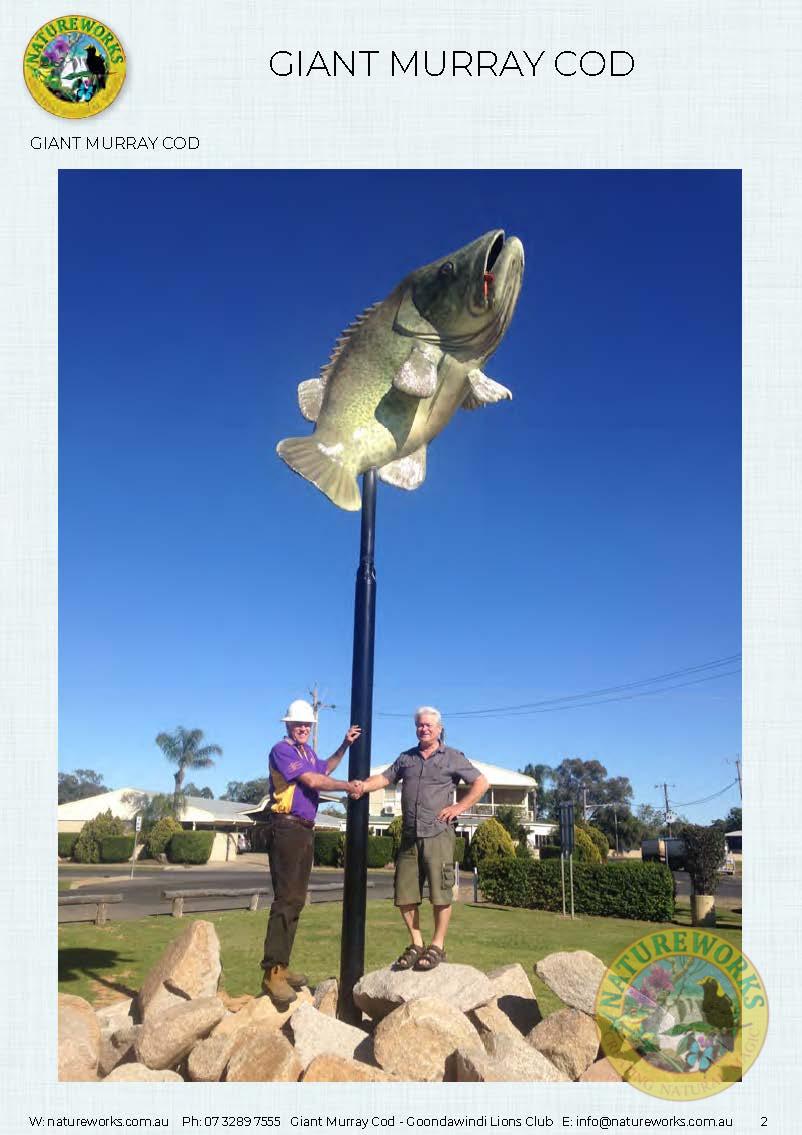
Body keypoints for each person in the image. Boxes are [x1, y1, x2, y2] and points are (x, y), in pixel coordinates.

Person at [351, 706, 488, 972]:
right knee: (405, 894)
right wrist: (362, 786)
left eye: (428, 725)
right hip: (410, 835)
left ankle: (437, 945)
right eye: (420, 725)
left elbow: (481, 783)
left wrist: (458, 808)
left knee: (440, 893)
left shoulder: (452, 757)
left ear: (439, 729)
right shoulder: (407, 758)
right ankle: (416, 943)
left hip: (438, 833)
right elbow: (385, 777)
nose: (423, 729)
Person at [261, 698, 361, 1006]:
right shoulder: (283, 750)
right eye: (299, 724)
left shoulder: (306, 752)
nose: (304, 728)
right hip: (286, 826)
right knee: (286, 898)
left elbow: (323, 767)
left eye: (308, 725)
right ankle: (272, 971)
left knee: (297, 899)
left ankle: (283, 965)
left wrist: (344, 746)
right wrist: (348, 786)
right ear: (288, 725)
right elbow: (313, 780)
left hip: (304, 828)